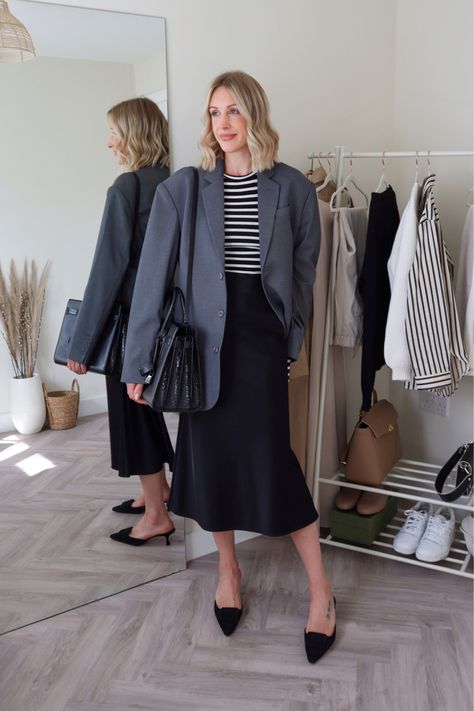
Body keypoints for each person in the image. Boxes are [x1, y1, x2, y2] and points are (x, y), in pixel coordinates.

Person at [122, 72, 336, 662]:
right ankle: (229, 573)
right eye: (214, 111)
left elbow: (302, 274)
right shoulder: (185, 189)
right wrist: (137, 360)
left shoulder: (292, 188)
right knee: (210, 461)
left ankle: (321, 592)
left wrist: (289, 342)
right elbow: (151, 281)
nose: (223, 121)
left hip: (262, 343)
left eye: (234, 109)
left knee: (274, 462)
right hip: (202, 345)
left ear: (255, 117)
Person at [67, 97, 175, 546]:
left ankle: (155, 515)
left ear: (134, 135)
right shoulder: (175, 183)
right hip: (165, 320)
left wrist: (81, 344)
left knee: (132, 416)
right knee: (145, 409)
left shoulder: (125, 186)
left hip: (129, 325)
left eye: (115, 132)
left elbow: (107, 270)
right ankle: (159, 490)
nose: (109, 142)